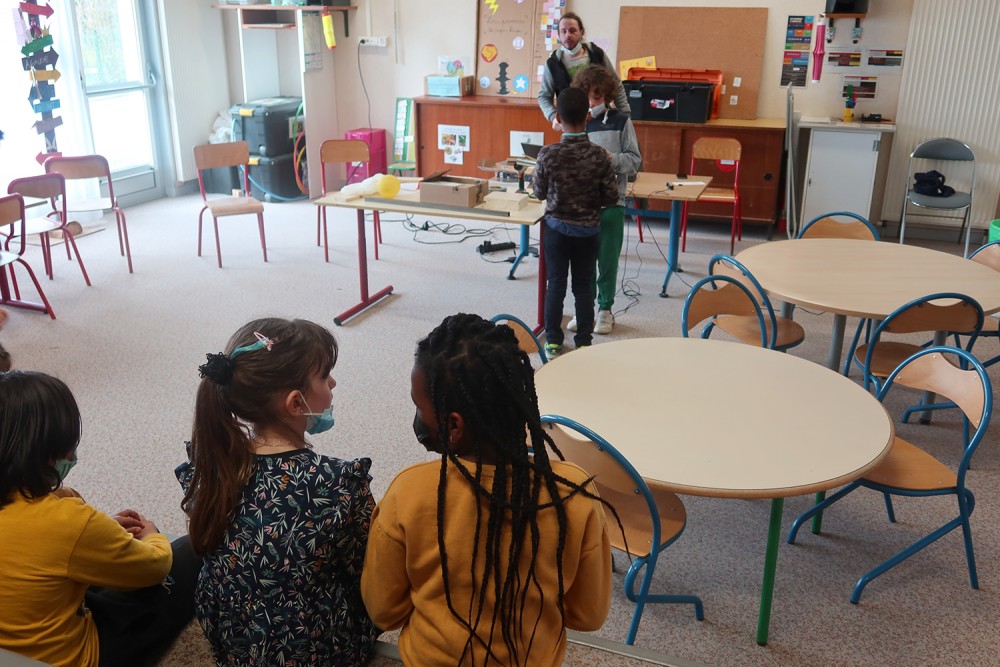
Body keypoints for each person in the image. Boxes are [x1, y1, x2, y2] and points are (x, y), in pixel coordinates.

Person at [362, 313, 614, 666]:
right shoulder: (574, 494)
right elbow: (587, 615)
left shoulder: (409, 492)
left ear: (453, 425)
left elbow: (384, 611)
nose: (417, 416)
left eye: (419, 406)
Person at [176, 317, 378, 666]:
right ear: (296, 404)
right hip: (312, 647)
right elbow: (367, 570)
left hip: (236, 640)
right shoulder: (336, 483)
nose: (333, 382)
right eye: (324, 376)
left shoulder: (210, 465)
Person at [0, 371, 197, 667]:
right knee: (191, 551)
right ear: (45, 453)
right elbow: (154, 567)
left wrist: (98, 531)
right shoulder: (66, 521)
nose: (72, 454)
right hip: (73, 658)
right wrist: (153, 536)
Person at [532, 87, 620, 356]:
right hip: (588, 232)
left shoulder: (547, 154)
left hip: (556, 230)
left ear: (558, 117)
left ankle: (553, 341)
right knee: (583, 287)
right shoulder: (600, 156)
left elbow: (538, 192)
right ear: (588, 116)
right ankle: (583, 341)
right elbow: (611, 197)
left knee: (555, 285)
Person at [566, 64, 642, 336]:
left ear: (606, 95)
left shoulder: (621, 121)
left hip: (611, 204)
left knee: (607, 261)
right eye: (587, 96)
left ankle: (605, 310)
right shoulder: (576, 122)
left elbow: (635, 160)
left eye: (597, 96)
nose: (592, 102)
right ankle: (584, 309)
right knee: (583, 263)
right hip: (582, 205)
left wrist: (612, 159)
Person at [538, 12, 631, 130]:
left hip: (601, 122)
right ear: (558, 35)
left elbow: (616, 85)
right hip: (572, 126)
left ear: (582, 32)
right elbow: (544, 97)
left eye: (573, 31)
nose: (568, 35)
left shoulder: (597, 54)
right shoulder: (552, 64)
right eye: (563, 31)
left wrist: (625, 115)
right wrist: (553, 116)